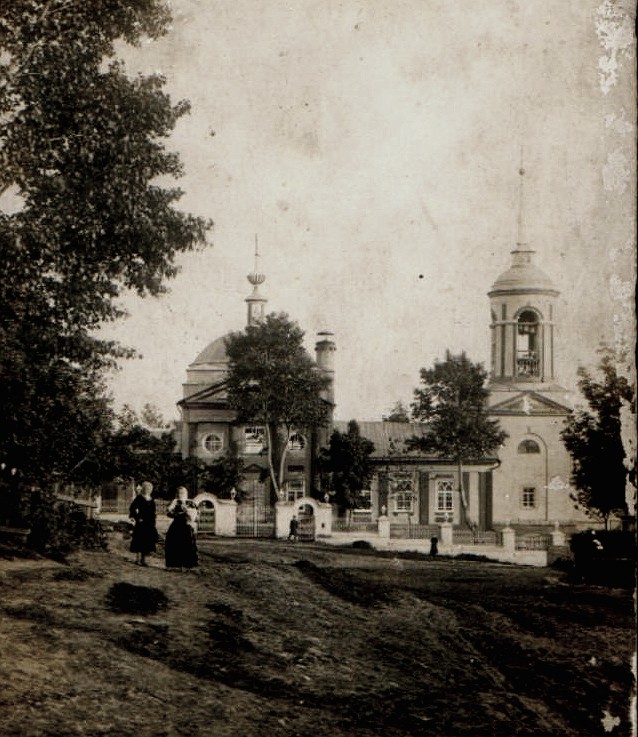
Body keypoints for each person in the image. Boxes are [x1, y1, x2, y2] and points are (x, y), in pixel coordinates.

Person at [165, 487, 198, 570]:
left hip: (186, 525)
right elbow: (168, 513)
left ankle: (187, 564)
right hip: (176, 525)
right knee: (173, 543)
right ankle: (174, 564)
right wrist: (176, 514)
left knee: (187, 544)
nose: (180, 495)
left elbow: (195, 514)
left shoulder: (191, 503)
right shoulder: (175, 502)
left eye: (182, 493)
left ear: (186, 494)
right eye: (179, 493)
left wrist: (189, 513)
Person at [128, 481, 158, 566]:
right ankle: (137, 559)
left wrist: (153, 521)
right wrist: (137, 518)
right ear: (143, 489)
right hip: (141, 523)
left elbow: (153, 511)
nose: (148, 490)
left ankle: (144, 560)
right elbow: (132, 508)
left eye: (150, 488)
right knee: (139, 540)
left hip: (149, 523)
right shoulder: (139, 498)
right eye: (146, 488)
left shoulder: (151, 500)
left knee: (147, 541)